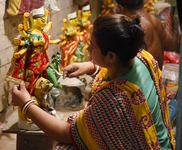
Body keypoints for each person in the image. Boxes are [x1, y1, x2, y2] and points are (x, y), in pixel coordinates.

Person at [11, 14, 175, 149]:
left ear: (111, 56)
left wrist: (26, 104)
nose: (87, 49)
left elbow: (67, 133)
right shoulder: (141, 57)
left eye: (92, 46)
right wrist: (91, 67)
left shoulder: (113, 99)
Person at [116, 0, 176, 70]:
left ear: (122, 8)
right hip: (157, 77)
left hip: (145, 79)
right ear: (143, 2)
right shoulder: (156, 21)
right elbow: (172, 47)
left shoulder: (135, 27)